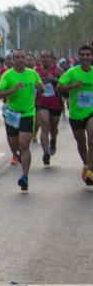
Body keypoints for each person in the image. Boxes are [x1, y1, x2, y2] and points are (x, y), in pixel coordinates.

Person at [0, 49, 40, 192]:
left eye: (22, 57)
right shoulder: (7, 75)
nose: (20, 60)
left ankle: (24, 177)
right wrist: (13, 89)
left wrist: (41, 87)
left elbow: (42, 88)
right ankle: (18, 155)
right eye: (17, 57)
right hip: (12, 115)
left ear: (26, 58)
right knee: (15, 147)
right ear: (13, 60)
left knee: (24, 144)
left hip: (27, 113)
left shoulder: (32, 73)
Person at [56, 45, 93, 186]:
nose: (85, 57)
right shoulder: (72, 73)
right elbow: (58, 88)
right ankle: (86, 165)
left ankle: (90, 170)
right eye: (82, 54)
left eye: (87, 55)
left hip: (91, 112)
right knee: (81, 143)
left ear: (91, 57)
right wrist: (72, 86)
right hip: (76, 114)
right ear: (79, 56)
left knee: (92, 140)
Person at [35, 49, 64, 166]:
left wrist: (54, 80)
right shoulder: (35, 72)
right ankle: (46, 153)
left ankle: (53, 140)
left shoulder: (57, 70)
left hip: (55, 103)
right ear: (40, 59)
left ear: (51, 59)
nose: (45, 59)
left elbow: (65, 84)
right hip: (41, 102)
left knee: (53, 128)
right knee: (45, 126)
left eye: (47, 57)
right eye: (43, 57)